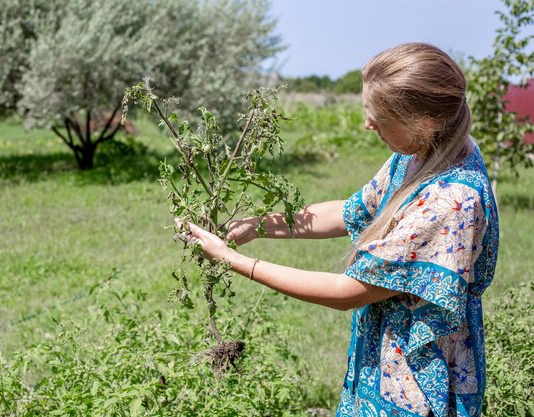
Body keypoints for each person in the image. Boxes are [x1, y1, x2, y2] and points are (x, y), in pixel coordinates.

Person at [184, 43, 499, 417]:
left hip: (414, 386)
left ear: (424, 121)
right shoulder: (422, 152)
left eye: (379, 117)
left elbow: (347, 291)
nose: (368, 125)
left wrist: (234, 261)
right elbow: (349, 212)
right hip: (382, 367)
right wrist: (258, 226)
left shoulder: (450, 201)